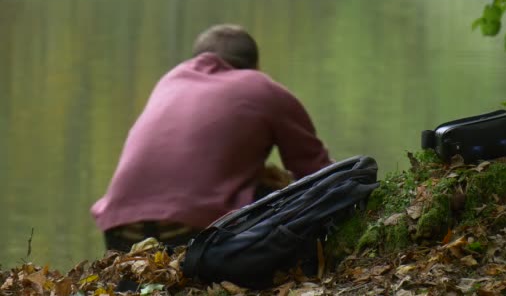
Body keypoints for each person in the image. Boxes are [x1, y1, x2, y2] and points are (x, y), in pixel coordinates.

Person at [91, 24, 332, 252]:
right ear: (255, 66)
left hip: (121, 230)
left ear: (195, 60)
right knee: (279, 189)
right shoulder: (262, 87)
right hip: (192, 229)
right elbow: (317, 173)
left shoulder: (170, 80)